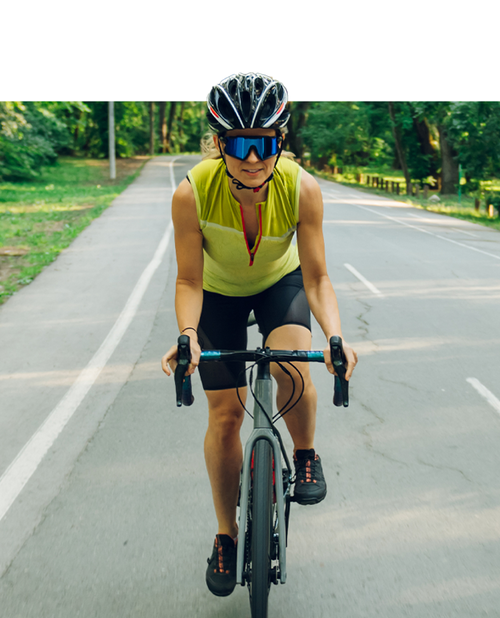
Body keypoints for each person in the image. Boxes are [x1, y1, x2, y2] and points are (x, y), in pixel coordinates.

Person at [158, 69, 357, 597]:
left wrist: (335, 337)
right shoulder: (191, 195)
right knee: (224, 415)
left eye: (264, 143)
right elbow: (187, 279)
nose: (252, 158)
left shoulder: (301, 188)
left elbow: (316, 277)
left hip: (279, 283)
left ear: (280, 141)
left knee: (292, 363)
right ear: (219, 144)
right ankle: (226, 535)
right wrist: (188, 336)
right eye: (240, 144)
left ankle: (307, 451)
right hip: (217, 294)